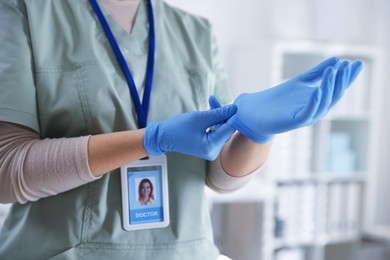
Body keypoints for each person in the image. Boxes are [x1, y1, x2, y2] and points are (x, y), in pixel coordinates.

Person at [0, 0, 363, 259]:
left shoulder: (196, 33)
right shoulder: (23, 12)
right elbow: (8, 171)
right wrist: (150, 140)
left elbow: (220, 177)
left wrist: (256, 133)